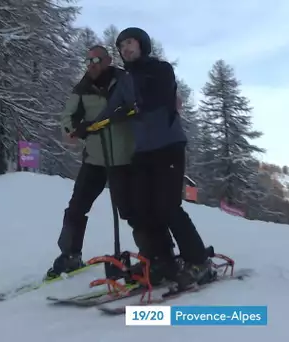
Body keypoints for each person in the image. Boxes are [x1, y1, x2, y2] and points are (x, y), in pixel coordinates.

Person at [94, 27, 213, 290]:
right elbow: (111, 107)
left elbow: (159, 97)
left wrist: (131, 108)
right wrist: (88, 125)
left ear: (142, 45)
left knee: (168, 206)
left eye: (130, 43)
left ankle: (199, 261)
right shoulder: (125, 80)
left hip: (168, 145)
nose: (126, 49)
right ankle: (161, 260)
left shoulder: (160, 69)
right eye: (122, 45)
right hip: (144, 151)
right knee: (141, 209)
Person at [45, 45, 146, 280]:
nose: (91, 63)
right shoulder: (82, 88)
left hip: (122, 157)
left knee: (131, 210)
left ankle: (150, 255)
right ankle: (70, 254)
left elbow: (142, 105)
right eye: (88, 59)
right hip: (95, 158)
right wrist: (75, 130)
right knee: (76, 207)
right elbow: (68, 117)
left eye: (97, 59)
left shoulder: (123, 80)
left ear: (108, 60)